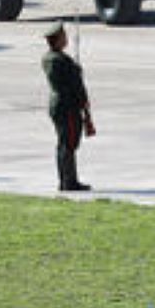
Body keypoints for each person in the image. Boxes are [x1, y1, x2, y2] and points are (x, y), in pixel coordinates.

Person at [43, 23, 94, 192]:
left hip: (59, 106)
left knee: (64, 144)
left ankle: (65, 179)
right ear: (57, 40)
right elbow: (73, 85)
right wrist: (76, 72)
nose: (66, 38)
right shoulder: (61, 61)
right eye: (63, 36)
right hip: (68, 107)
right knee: (69, 145)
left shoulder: (50, 58)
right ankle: (69, 181)